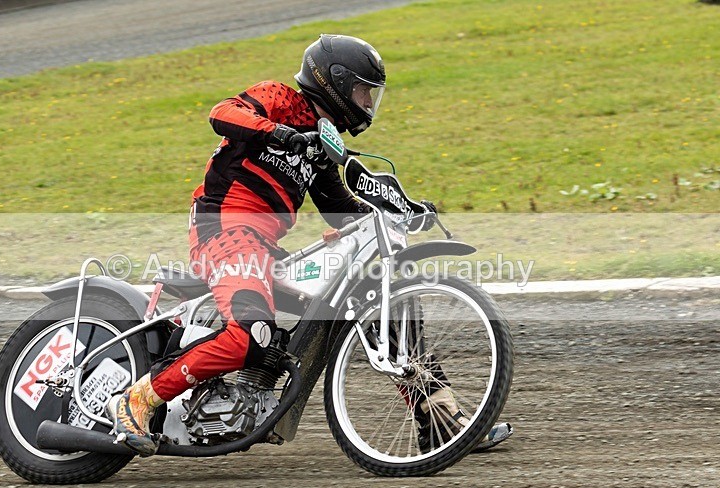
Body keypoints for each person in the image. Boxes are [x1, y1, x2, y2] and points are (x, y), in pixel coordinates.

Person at [108, 34, 512, 457]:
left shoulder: (321, 143)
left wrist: (401, 210)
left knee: (372, 311)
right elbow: (222, 113)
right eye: (362, 92)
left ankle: (441, 421)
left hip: (263, 245)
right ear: (334, 82)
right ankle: (137, 401)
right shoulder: (281, 98)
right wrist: (281, 133)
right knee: (250, 334)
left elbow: (341, 206)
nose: (368, 104)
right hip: (224, 228)